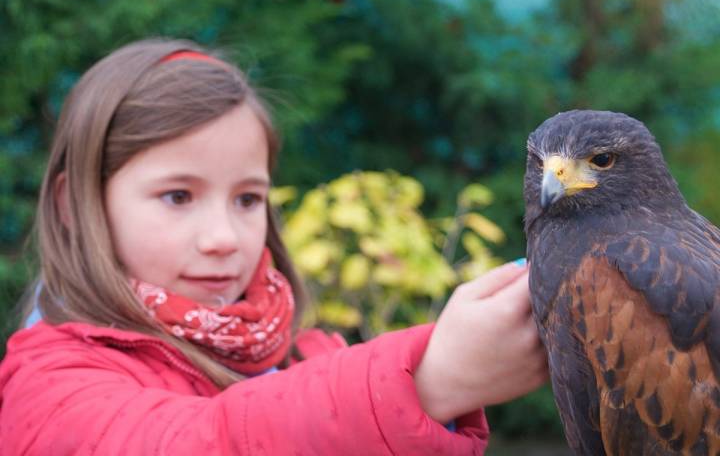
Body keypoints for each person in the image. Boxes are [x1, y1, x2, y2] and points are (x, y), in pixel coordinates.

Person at [0, 39, 548, 455]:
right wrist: (427, 382)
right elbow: (195, 442)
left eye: (246, 199)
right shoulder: (48, 385)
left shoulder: (308, 353)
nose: (222, 239)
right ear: (76, 205)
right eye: (177, 196)